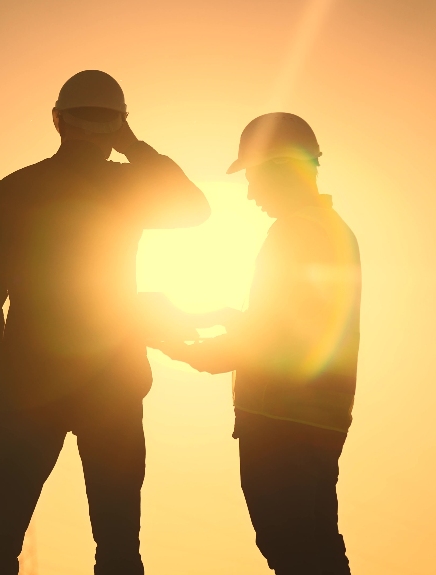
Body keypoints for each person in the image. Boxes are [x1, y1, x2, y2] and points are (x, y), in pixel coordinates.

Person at [0, 70, 210, 575]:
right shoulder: (126, 186)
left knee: (1, 535)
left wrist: (3, 378)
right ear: (116, 125)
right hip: (112, 386)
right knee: (118, 544)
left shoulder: (15, 190)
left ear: (58, 121)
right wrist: (135, 146)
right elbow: (194, 207)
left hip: (30, 386)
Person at [157, 113, 361, 575]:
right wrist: (217, 318)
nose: (250, 193)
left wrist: (182, 347)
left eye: (253, 177)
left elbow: (272, 339)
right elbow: (293, 325)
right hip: (316, 418)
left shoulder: (296, 233)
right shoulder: (330, 231)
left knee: (290, 546)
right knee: (317, 545)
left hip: (281, 420)